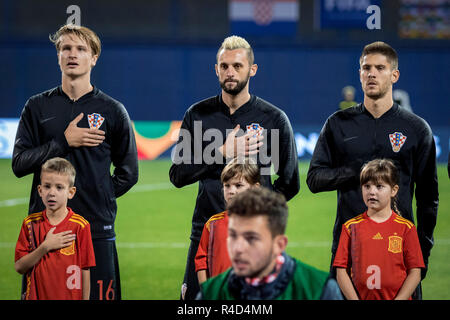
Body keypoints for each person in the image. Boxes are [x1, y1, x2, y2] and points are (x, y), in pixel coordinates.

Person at [11, 24, 139, 300]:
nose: (72, 54)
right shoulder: (37, 107)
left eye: (81, 49)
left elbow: (128, 173)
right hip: (46, 230)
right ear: (57, 56)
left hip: (95, 227)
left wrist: (97, 195)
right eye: (65, 48)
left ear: (93, 58)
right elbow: (19, 164)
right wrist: (63, 142)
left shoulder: (113, 110)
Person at [169, 35, 300, 299]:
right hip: (206, 232)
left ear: (252, 69)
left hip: (255, 236)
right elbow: (178, 175)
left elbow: (290, 182)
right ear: (216, 69)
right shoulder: (197, 115)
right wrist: (221, 153)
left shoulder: (273, 119)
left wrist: (259, 213)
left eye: (237, 66)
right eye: (224, 66)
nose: (230, 72)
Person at [306, 42, 438, 299]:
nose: (371, 73)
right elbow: (314, 179)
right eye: (366, 68)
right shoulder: (338, 124)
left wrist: (423, 250)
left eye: (380, 68)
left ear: (394, 75)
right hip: (349, 253)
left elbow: (428, 198)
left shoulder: (416, 129)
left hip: (400, 254)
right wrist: (355, 171)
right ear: (359, 74)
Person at [197, 187, 342, 300]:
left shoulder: (319, 290)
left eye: (251, 238)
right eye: (233, 236)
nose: (238, 248)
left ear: (279, 244)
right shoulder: (211, 293)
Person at [333, 159, 424, 300]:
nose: (372, 192)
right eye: (367, 186)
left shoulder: (406, 228)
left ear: (394, 190)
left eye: (379, 186)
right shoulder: (350, 227)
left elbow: (415, 272)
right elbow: (341, 272)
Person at [14, 157, 96, 300]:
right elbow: (20, 267)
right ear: (40, 190)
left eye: (59, 187)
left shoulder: (81, 226)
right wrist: (45, 246)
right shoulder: (30, 224)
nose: (52, 193)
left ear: (71, 192)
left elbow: (85, 269)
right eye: (47, 186)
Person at [195, 157, 260, 285]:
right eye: (227, 185)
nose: (231, 191)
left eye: (238, 185)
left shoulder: (263, 224)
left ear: (255, 188)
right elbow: (201, 261)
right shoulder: (212, 224)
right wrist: (207, 290)